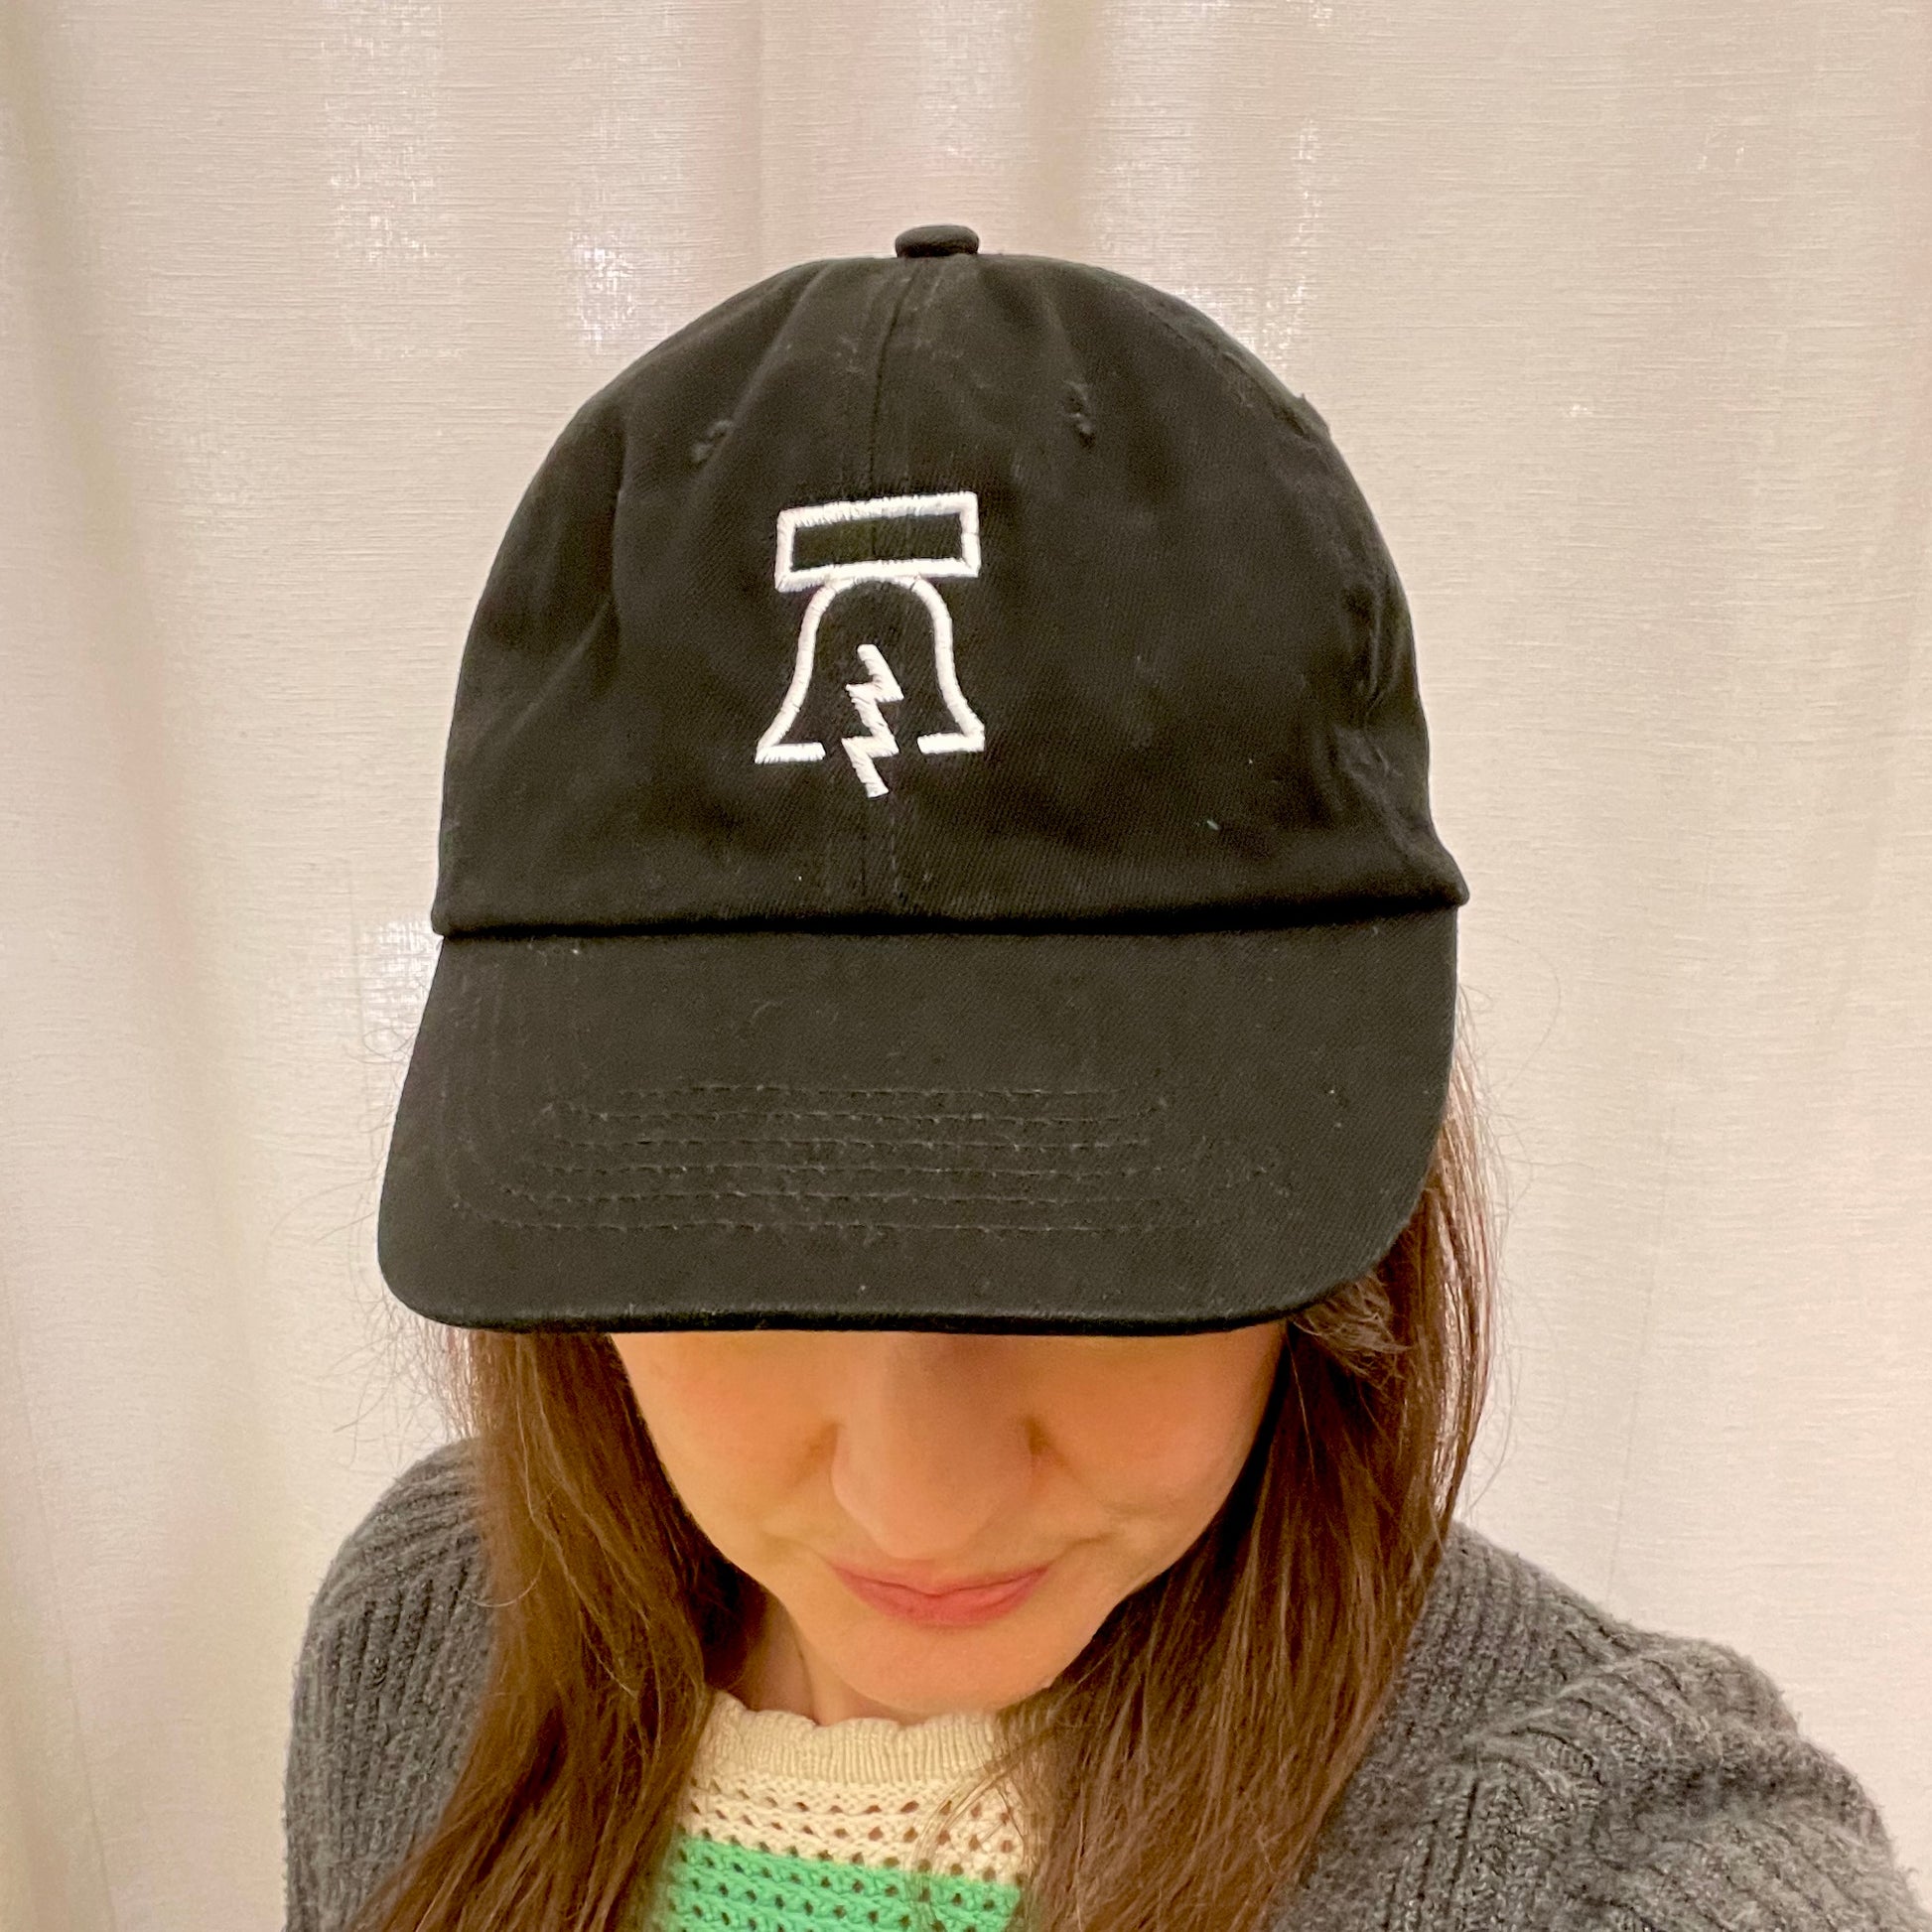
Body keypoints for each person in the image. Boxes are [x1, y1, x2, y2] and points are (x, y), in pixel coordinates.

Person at [282, 225, 1930, 1932]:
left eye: (1079, 1250)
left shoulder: (1603, 1872)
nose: (911, 1495)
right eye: (736, 1251)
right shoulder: (423, 1644)